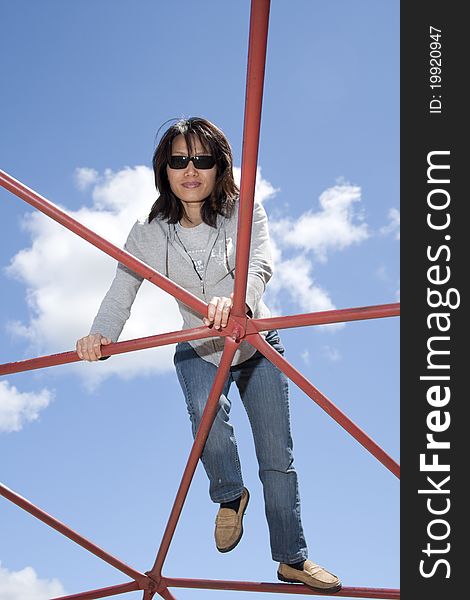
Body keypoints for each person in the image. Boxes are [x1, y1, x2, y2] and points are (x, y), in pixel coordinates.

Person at [76, 117, 341, 592]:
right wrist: (99, 336)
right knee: (205, 419)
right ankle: (229, 494)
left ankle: (291, 558)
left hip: (256, 343)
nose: (191, 170)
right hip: (199, 345)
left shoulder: (243, 211)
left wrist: (238, 302)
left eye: (203, 159)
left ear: (221, 167)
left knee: (276, 456)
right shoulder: (150, 231)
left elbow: (259, 263)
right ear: (165, 169)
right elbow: (123, 287)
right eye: (179, 160)